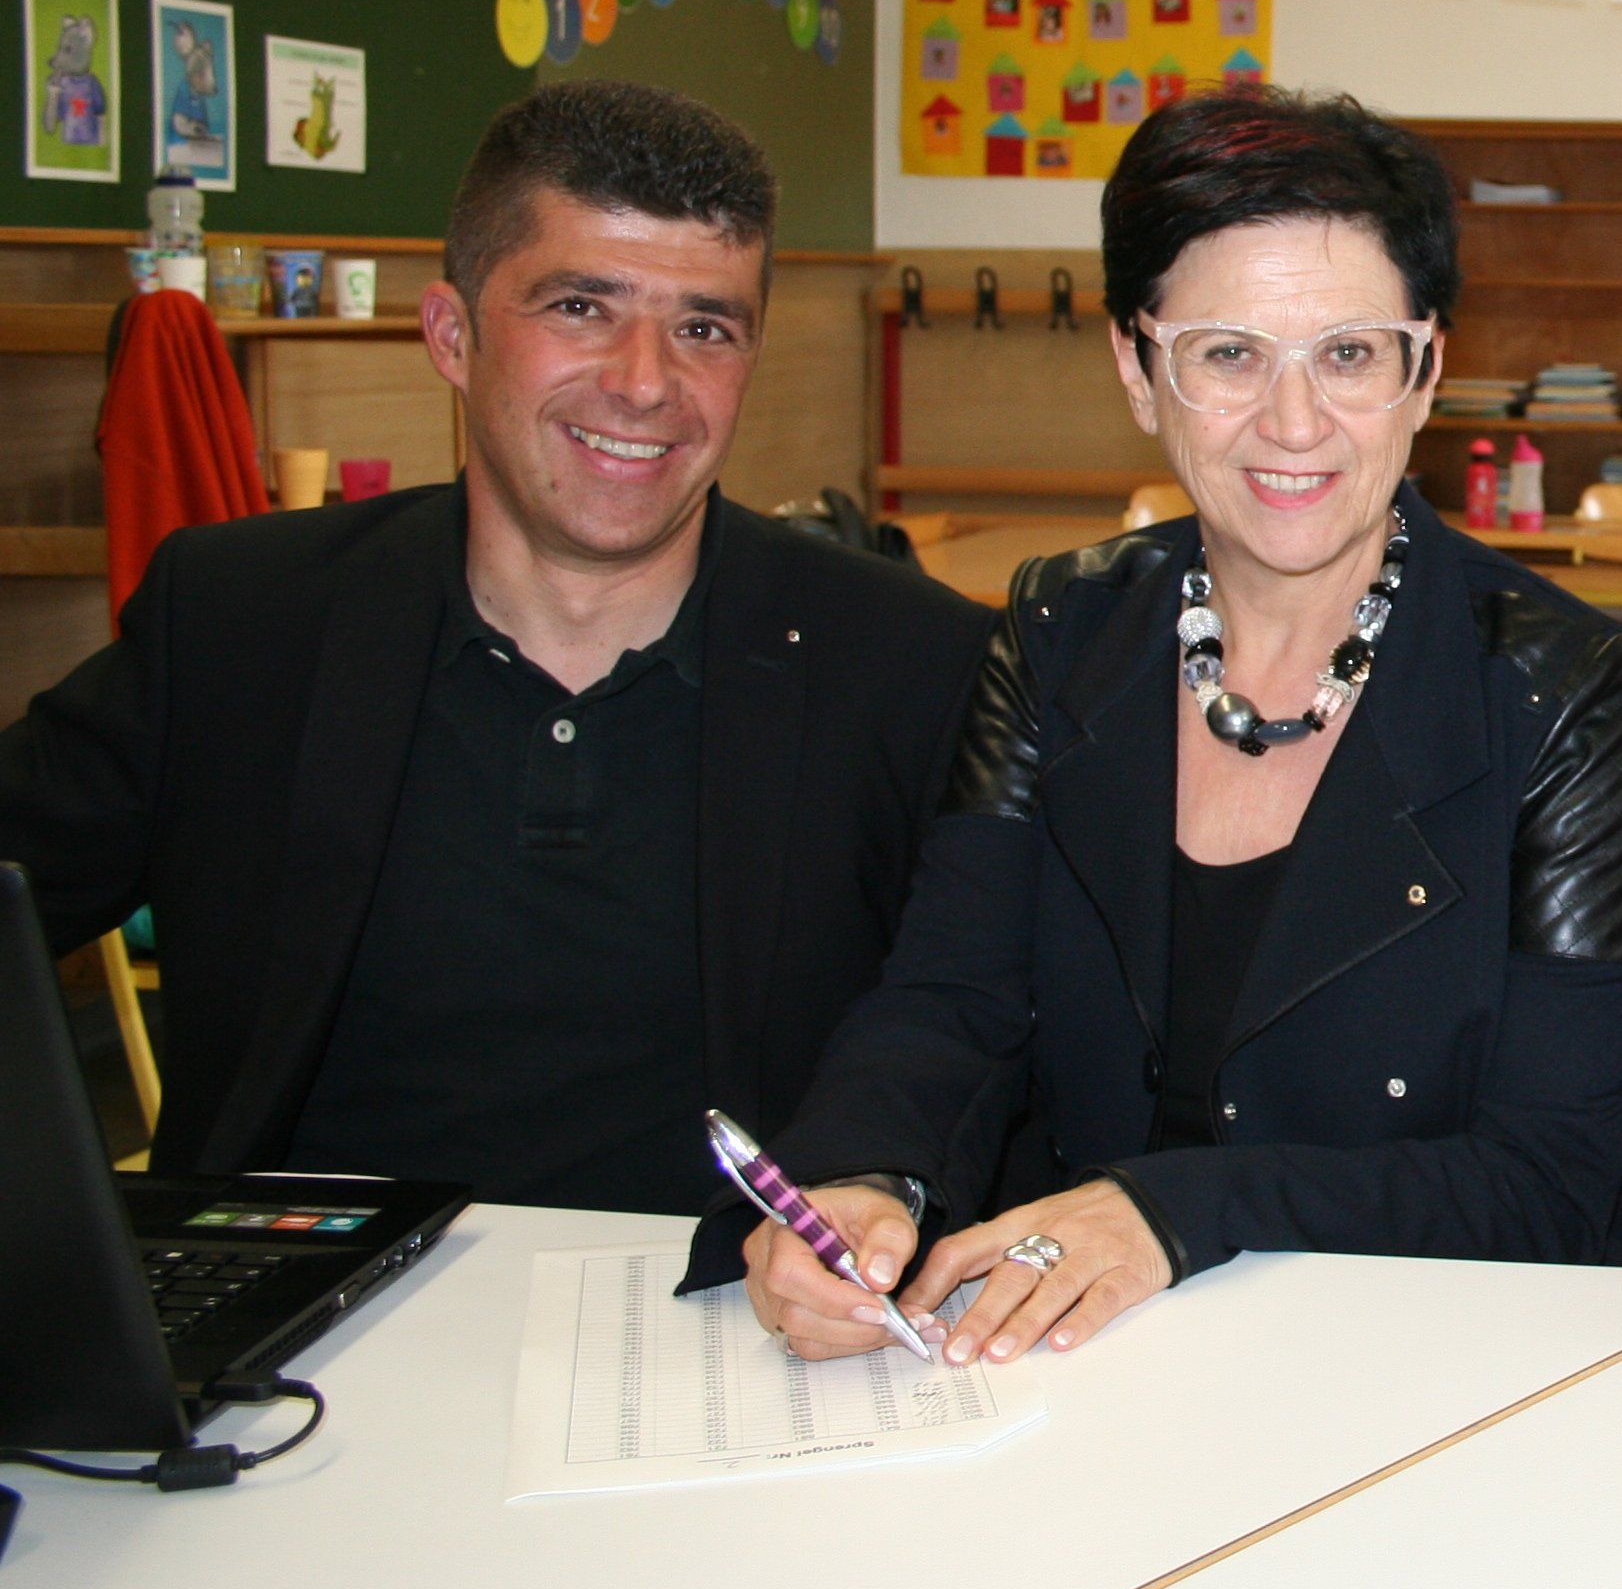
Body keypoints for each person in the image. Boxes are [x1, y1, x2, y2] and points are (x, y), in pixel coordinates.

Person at [738, 91, 1622, 1367]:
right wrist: (864, 1175)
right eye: (1228, 354)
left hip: (1448, 1371)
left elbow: (1553, 1177)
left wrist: (1176, 1212)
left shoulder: (1567, 690)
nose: (1293, 423)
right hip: (1105, 1368)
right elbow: (954, 997)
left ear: (1425, 374)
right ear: (1139, 372)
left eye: (1350, 354)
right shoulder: (1058, 630)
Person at [0, 81, 993, 1265]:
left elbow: (996, 1017)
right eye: (582, 307)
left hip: (734, 1317)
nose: (645, 381)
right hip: (307, 1310)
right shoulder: (242, 623)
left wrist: (887, 1180)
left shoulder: (907, 663)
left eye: (705, 328)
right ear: (453, 335)